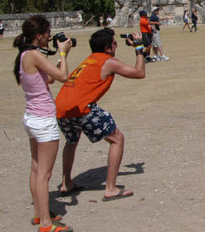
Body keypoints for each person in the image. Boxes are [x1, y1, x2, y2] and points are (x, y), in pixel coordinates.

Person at [54, 28, 145, 201]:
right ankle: (110, 188)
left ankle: (66, 183)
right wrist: (139, 48)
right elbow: (139, 73)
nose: (116, 45)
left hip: (61, 107)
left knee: (71, 141)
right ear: (108, 48)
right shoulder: (108, 61)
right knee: (117, 138)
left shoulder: (88, 61)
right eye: (114, 43)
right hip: (81, 108)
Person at [13, 15, 74, 232]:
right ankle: (46, 223)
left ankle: (40, 212)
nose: (50, 36)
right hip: (43, 119)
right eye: (48, 33)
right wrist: (64, 53)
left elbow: (48, 80)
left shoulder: (24, 55)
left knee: (37, 168)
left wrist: (57, 63)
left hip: (31, 117)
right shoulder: (35, 54)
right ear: (39, 36)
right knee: (45, 174)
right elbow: (64, 77)